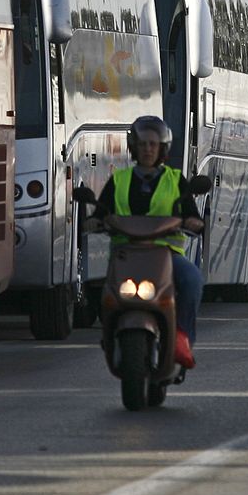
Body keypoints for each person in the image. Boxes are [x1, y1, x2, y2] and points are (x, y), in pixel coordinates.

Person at [94, 116, 206, 369]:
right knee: (105, 293)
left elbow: (193, 215)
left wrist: (193, 222)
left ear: (162, 148)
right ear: (134, 147)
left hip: (165, 255)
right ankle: (109, 333)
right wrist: (93, 221)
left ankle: (182, 337)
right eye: (142, 144)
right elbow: (100, 212)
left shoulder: (176, 180)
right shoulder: (119, 180)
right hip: (126, 254)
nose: (148, 149)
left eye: (153, 144)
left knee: (191, 280)